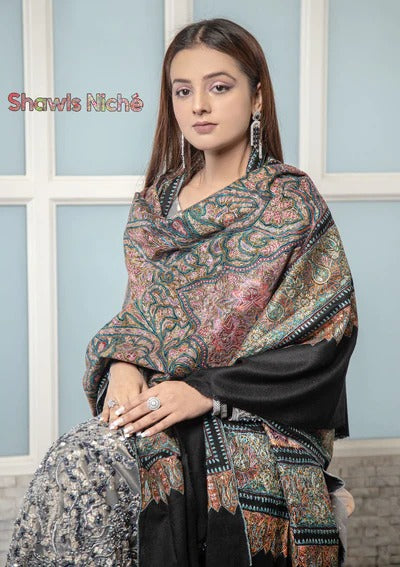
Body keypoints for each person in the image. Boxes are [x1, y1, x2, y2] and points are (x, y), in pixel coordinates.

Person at [6, 17, 358, 567]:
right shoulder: (156, 207)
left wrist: (205, 393)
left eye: (219, 87)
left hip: (252, 415)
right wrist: (123, 363)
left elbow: (325, 339)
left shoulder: (289, 203)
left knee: (98, 468)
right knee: (75, 460)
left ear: (257, 97)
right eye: (183, 91)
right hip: (158, 401)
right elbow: (141, 317)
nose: (200, 106)